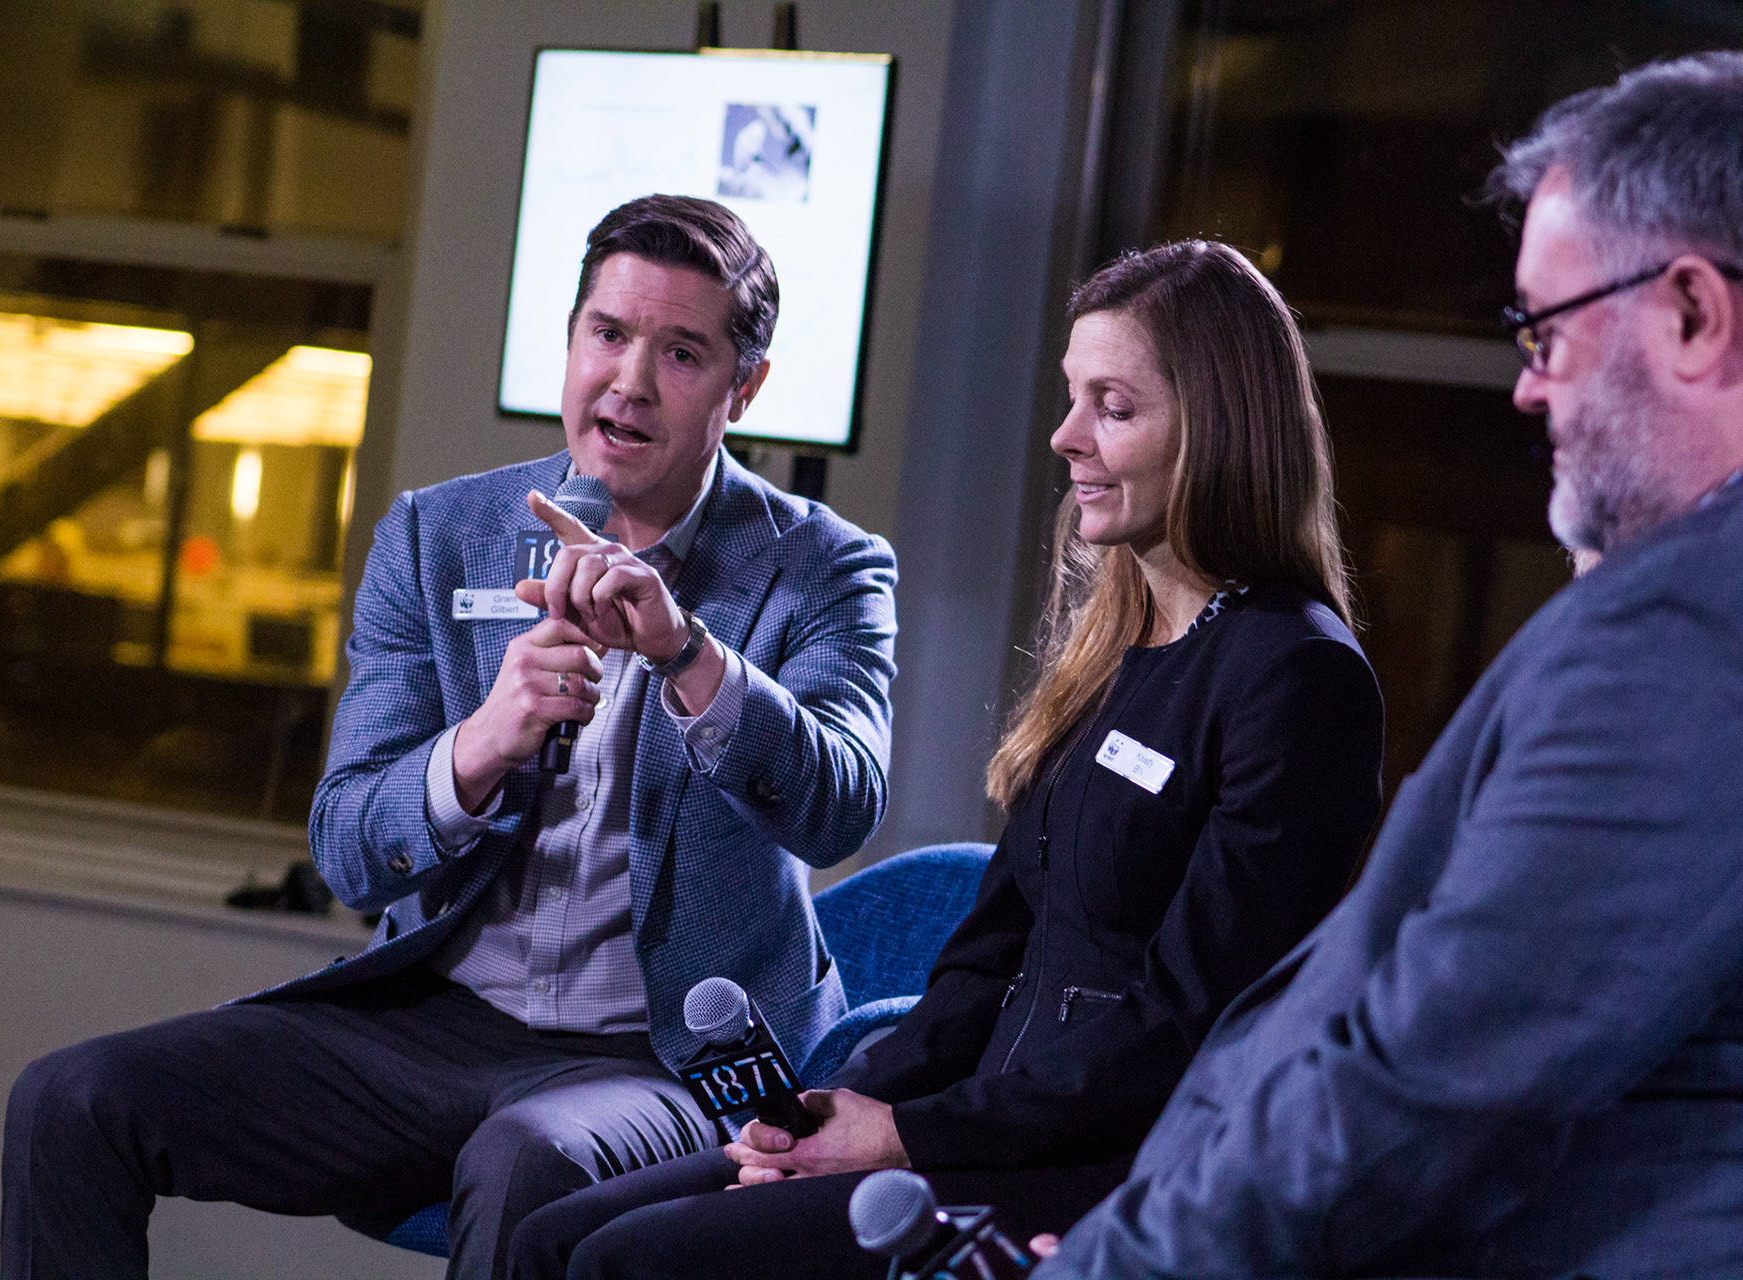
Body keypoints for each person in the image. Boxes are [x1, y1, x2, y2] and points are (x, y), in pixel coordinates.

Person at [0, 195, 898, 1280]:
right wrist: (481, 743)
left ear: (742, 388)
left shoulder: (824, 566)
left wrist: (684, 652)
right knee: (72, 1100)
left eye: (681, 353)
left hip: (654, 1058)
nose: (629, 381)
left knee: (526, 1161)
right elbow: (347, 845)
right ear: (571, 339)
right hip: (431, 1025)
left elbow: (841, 804)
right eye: (608, 333)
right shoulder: (440, 536)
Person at [505, 239, 1386, 1280]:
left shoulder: (1301, 676)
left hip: (1104, 1168)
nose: (1065, 437)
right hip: (972, 1127)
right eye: (1072, 397)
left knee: (625, 1263)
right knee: (553, 1236)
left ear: (1220, 428)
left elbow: (1182, 1025)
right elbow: (987, 956)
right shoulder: (1119, 646)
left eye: (1112, 408)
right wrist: (843, 1113)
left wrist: (908, 1137)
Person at [1033, 52, 1743, 1279]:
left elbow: (1436, 1075)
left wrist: (1121, 1262)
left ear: (1690, 313)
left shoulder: (1688, 629)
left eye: (1547, 330)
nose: (1528, 388)